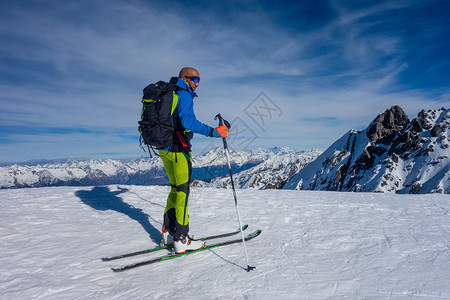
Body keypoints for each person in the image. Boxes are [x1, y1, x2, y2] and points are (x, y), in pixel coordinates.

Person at [159, 67, 228, 253]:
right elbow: (188, 122)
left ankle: (168, 232)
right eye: (194, 79)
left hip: (164, 148)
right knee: (183, 191)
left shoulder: (170, 92)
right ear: (184, 78)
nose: (197, 83)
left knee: (175, 188)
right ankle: (181, 239)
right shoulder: (183, 94)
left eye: (199, 79)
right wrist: (213, 132)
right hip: (178, 148)